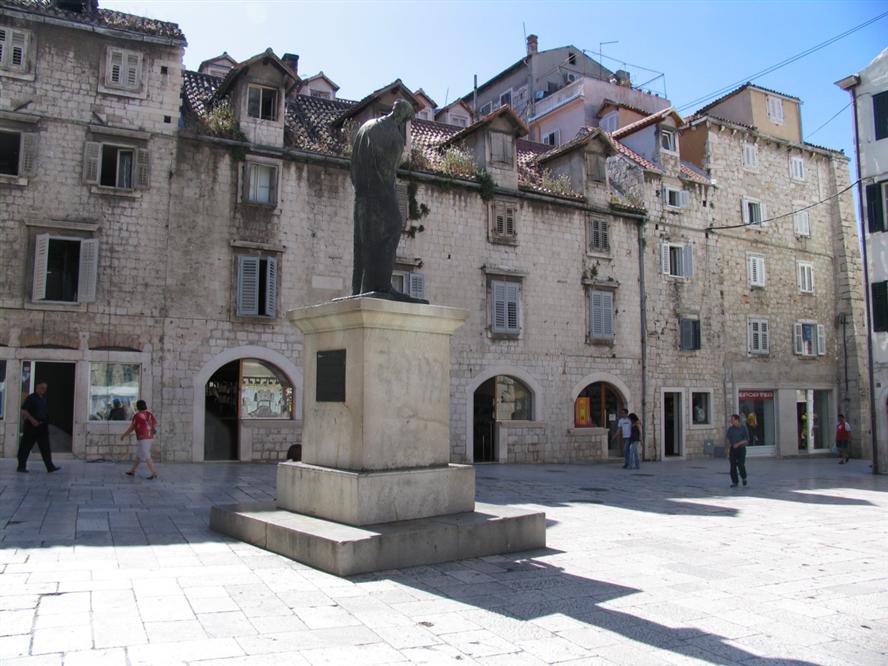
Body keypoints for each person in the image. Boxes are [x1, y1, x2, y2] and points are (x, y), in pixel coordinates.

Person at [350, 99, 426, 303]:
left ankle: (362, 286)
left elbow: (354, 166)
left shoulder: (366, 127)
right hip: (381, 193)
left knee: (364, 241)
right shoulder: (395, 137)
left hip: (361, 195)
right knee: (393, 227)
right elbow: (389, 172)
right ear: (404, 117)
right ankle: (382, 286)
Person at [17, 381, 61, 473]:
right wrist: (32, 420)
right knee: (25, 447)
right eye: (42, 388)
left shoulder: (44, 399)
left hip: (42, 426)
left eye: (45, 388)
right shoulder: (31, 398)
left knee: (45, 447)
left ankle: (50, 467)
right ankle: (21, 466)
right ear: (37, 387)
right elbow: (24, 411)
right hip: (31, 427)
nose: (43, 390)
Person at [121, 400, 159, 479]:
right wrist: (150, 427)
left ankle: (154, 473)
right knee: (139, 455)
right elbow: (155, 423)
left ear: (138, 406)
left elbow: (132, 428)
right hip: (150, 437)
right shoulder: (149, 414)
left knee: (146, 455)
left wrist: (124, 435)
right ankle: (132, 471)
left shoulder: (137, 416)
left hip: (142, 437)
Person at [725, 414, 749, 488]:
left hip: (741, 449)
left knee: (741, 464)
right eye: (731, 420)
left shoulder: (743, 428)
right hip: (733, 449)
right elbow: (728, 440)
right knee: (733, 466)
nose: (731, 421)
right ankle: (735, 482)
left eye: (732, 420)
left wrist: (738, 444)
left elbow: (747, 440)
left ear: (737, 420)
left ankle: (744, 477)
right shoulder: (730, 429)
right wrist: (728, 449)